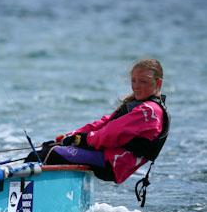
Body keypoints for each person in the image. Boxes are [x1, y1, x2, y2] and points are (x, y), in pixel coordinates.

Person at [26, 59, 169, 183]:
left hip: (114, 162)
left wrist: (82, 140)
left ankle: (21, 201)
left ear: (158, 83)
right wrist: (70, 136)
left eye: (143, 81)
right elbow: (105, 123)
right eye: (133, 80)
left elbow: (110, 134)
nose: (136, 86)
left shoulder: (149, 112)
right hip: (105, 154)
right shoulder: (140, 106)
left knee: (47, 154)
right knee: (46, 150)